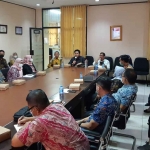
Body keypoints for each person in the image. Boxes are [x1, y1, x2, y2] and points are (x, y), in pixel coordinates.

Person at [11, 89, 90, 150]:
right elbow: (49, 118)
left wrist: (27, 125)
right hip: (84, 146)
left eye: (30, 109)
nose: (30, 111)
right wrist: (29, 119)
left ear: (36, 108)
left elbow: (15, 142)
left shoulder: (39, 124)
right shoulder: (58, 106)